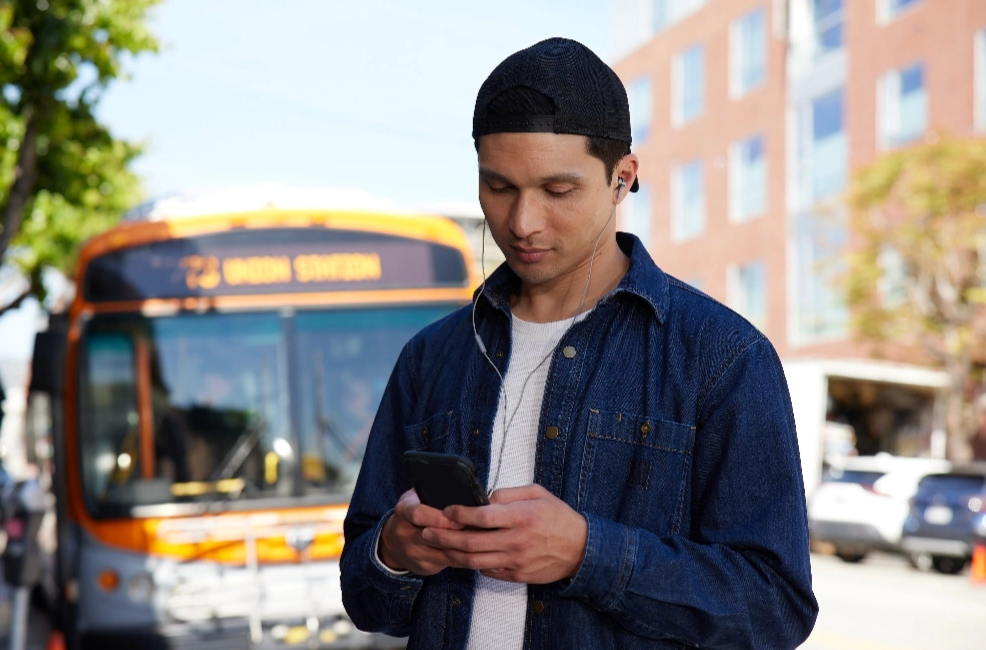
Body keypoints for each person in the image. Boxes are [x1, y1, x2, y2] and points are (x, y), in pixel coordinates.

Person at [340, 37, 818, 649]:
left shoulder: (722, 357)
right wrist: (393, 551)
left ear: (623, 179)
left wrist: (588, 555)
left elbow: (775, 607)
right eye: (500, 187)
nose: (523, 222)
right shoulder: (430, 357)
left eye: (558, 191)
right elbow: (363, 596)